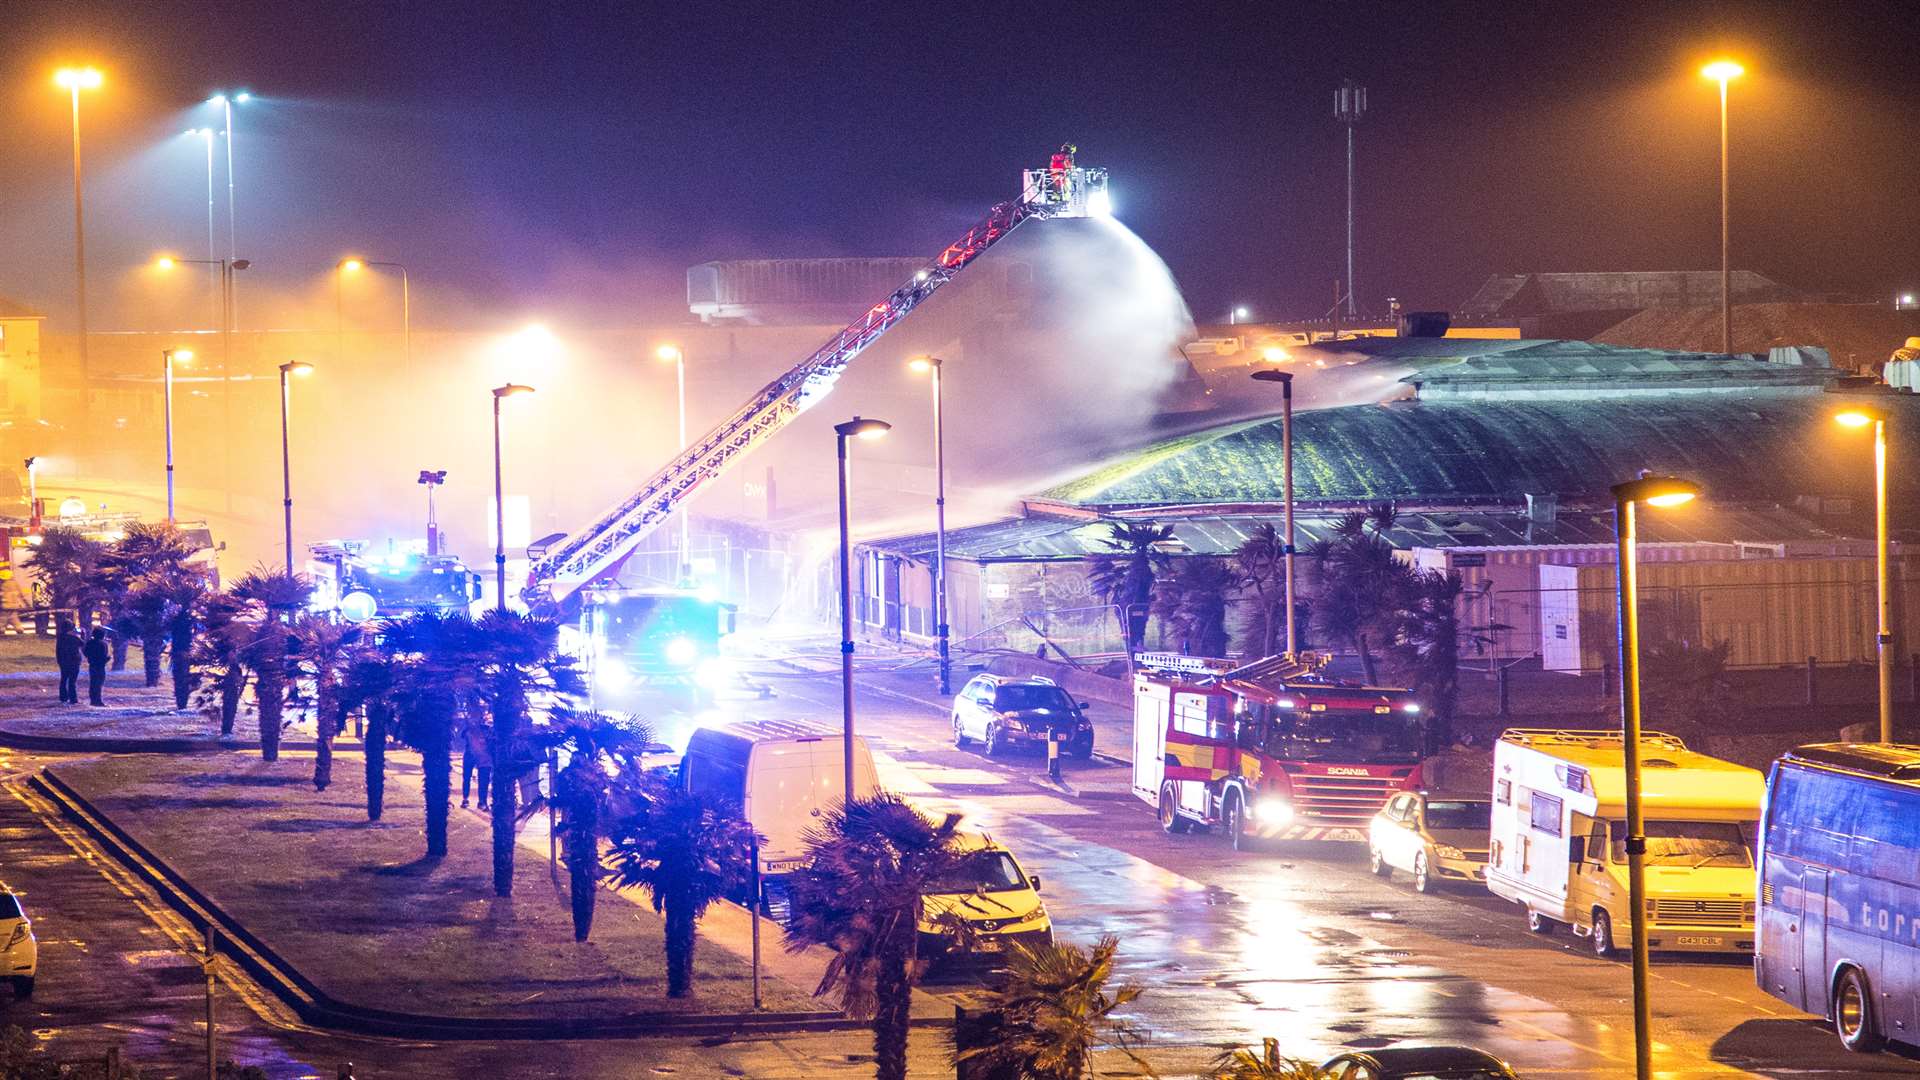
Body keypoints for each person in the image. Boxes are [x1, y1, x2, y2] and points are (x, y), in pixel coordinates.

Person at [461, 717, 492, 810]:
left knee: (483, 780)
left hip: (483, 758)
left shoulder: (486, 729)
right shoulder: (468, 729)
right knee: (467, 777)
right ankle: (466, 798)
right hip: (471, 756)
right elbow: (463, 736)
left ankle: (482, 801)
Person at [55, 624, 84, 705]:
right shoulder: (73, 638)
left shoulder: (60, 638)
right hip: (74, 662)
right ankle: (73, 699)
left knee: (63, 679)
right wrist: (82, 635)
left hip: (63, 662)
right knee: (72, 681)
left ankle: (63, 697)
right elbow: (82, 643)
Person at [83, 627, 110, 707]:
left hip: (92, 665)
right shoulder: (103, 644)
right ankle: (98, 700)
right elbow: (103, 657)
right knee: (99, 683)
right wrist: (108, 658)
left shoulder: (90, 643)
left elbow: (85, 652)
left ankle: (93, 700)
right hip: (100, 666)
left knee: (93, 682)